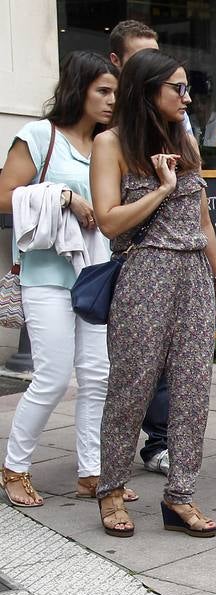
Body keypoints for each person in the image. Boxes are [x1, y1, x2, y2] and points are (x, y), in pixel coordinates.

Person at [90, 49, 216, 537]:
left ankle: (179, 497)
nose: (186, 97)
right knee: (131, 386)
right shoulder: (110, 144)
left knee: (194, 390)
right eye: (177, 88)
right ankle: (110, 490)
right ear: (146, 90)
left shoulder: (186, 141)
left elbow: (202, 220)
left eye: (187, 88)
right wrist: (160, 186)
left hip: (193, 273)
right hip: (145, 272)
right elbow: (109, 222)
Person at [0, 52, 136, 508]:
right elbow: (3, 196)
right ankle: (14, 467)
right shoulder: (40, 136)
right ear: (78, 89)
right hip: (46, 277)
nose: (111, 100)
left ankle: (91, 472)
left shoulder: (109, 144)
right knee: (54, 377)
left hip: (93, 275)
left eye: (115, 92)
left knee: (97, 376)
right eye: (103, 90)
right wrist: (63, 196)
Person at [108, 18, 173, 478]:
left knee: (177, 371)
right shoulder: (109, 132)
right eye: (139, 60)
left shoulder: (177, 126)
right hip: (128, 260)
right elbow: (112, 218)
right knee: (128, 372)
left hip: (175, 265)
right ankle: (107, 468)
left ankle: (161, 444)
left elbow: (202, 215)